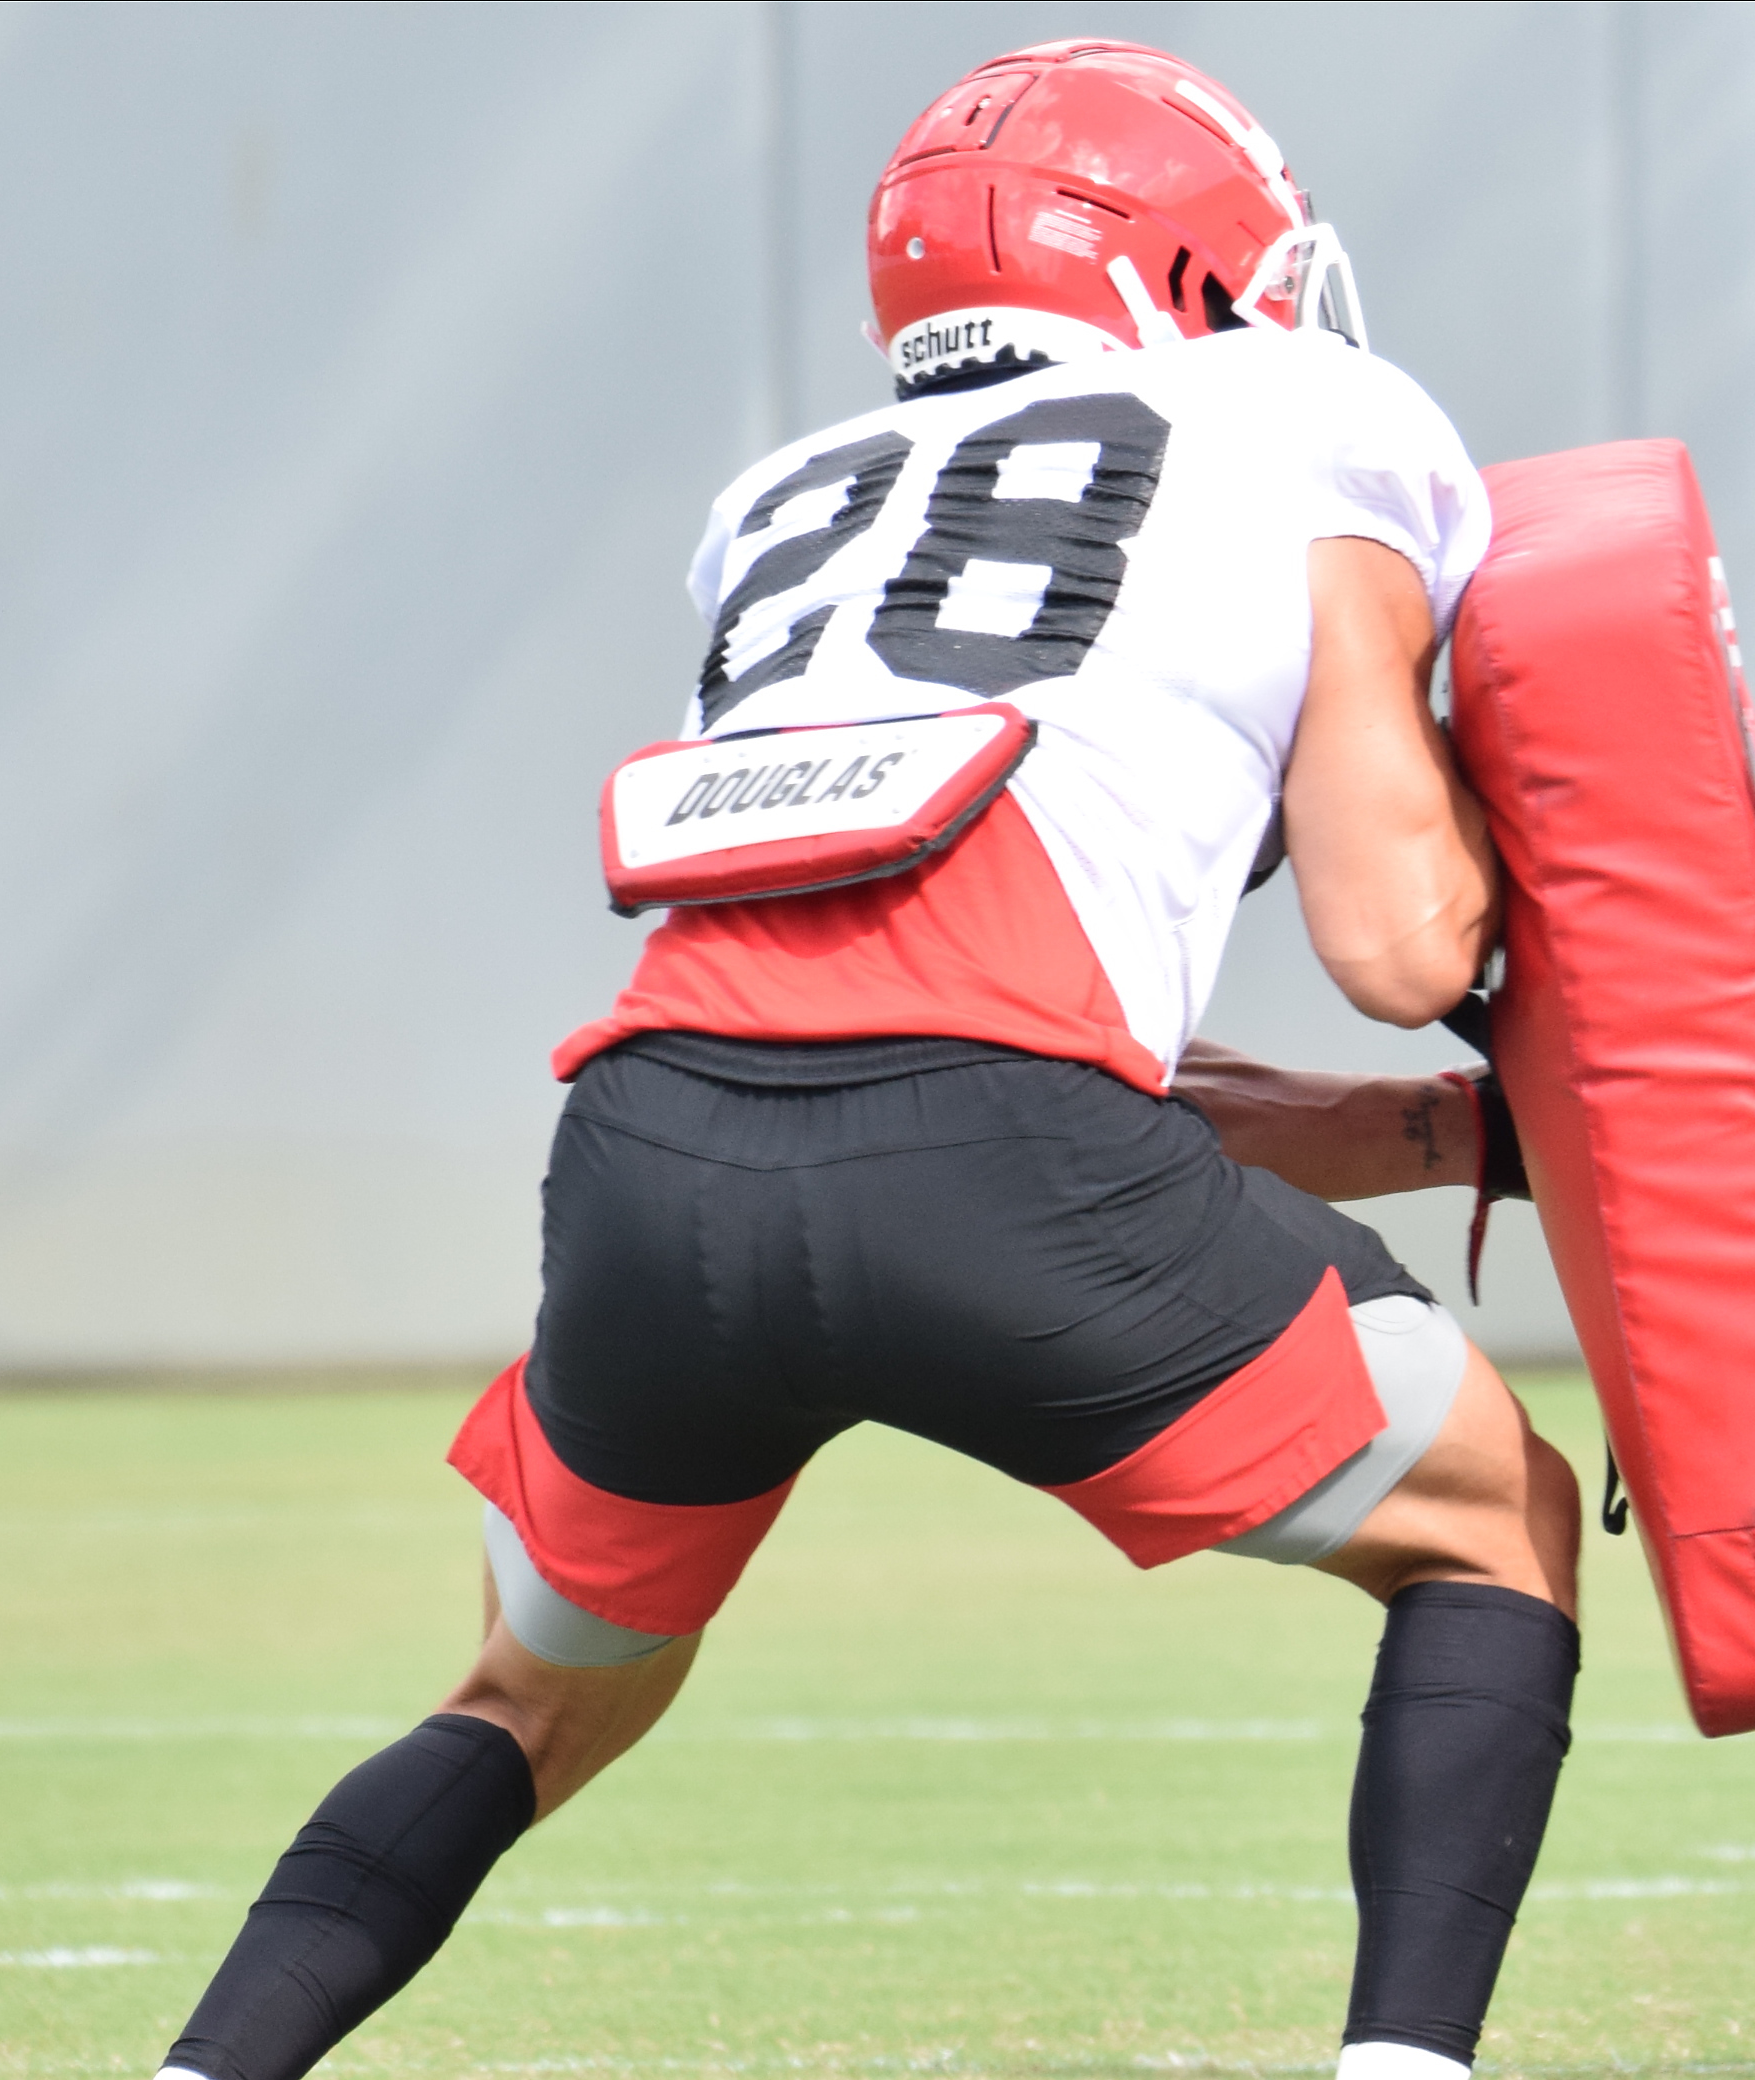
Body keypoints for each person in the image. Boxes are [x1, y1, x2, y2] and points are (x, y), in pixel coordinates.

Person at [148, 44, 1580, 2080]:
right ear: (1195, 267)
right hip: (1001, 1148)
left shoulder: (783, 502)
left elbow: (892, 980)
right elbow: (1397, 938)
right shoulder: (1309, 414)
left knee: (535, 1694)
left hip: (651, 1151)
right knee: (1493, 1517)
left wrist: (1430, 1134)